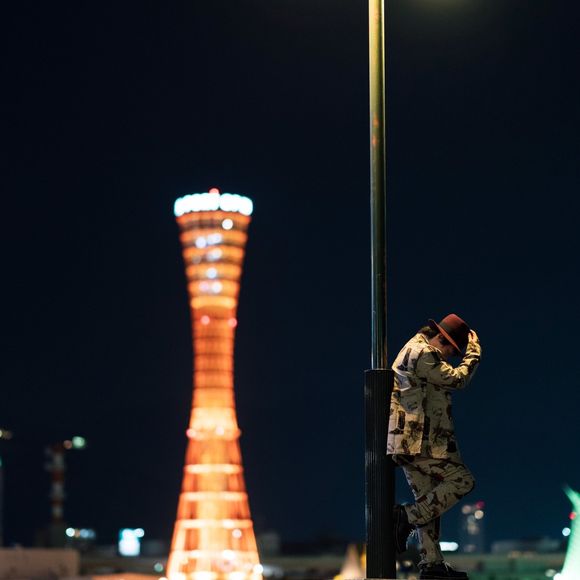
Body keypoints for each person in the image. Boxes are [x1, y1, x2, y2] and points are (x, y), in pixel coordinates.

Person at [388, 313, 482, 580]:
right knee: (462, 481)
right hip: (421, 443)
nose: (450, 357)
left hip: (410, 442)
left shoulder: (414, 349)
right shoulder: (424, 353)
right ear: (441, 338)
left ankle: (431, 564)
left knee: (429, 498)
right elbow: (457, 379)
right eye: (452, 351)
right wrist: (473, 353)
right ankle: (405, 517)